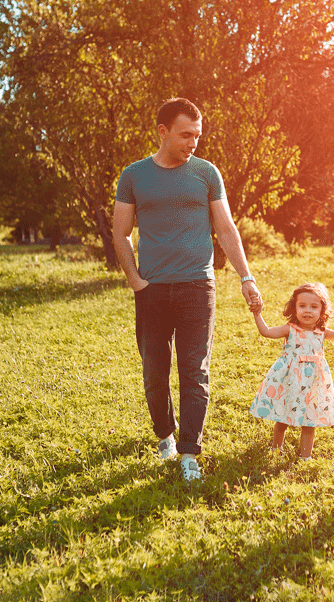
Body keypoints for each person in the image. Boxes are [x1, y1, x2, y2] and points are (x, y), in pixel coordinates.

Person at [113, 97, 263, 482]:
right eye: (185, 134)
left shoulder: (206, 173)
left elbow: (226, 229)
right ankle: (164, 433)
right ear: (162, 132)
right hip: (153, 290)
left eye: (197, 135)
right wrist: (136, 281)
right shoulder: (133, 175)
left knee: (195, 370)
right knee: (155, 371)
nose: (193, 142)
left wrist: (246, 278)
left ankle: (189, 451)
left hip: (199, 285)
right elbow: (120, 233)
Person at [249, 282, 334, 460]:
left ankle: (305, 458)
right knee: (282, 416)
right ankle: (276, 449)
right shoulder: (290, 329)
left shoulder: (322, 332)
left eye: (314, 307)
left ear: (322, 311)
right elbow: (267, 332)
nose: (308, 311)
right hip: (289, 380)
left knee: (310, 421)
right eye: (302, 306)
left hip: (313, 383)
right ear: (294, 308)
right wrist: (257, 313)